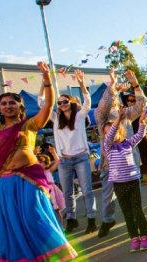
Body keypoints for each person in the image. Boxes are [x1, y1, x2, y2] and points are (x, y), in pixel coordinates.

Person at [0, 60, 77, 261]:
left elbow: (49, 104)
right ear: (0, 109)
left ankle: (54, 256)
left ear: (20, 107)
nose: (8, 106)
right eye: (4, 103)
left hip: (30, 179)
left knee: (34, 218)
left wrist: (45, 79)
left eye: (12, 103)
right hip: (5, 182)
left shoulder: (30, 125)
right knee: (13, 224)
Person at [40, 69, 97, 234]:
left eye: (65, 101)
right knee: (67, 193)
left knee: (87, 190)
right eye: (59, 102)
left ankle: (91, 218)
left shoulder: (79, 116)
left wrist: (80, 82)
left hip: (81, 158)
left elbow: (87, 101)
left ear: (71, 102)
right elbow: (40, 102)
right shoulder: (55, 119)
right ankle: (71, 219)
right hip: (64, 160)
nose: (62, 104)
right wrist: (44, 83)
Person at [94, 69, 147, 238]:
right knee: (108, 196)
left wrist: (135, 84)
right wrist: (112, 85)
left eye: (116, 103)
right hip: (110, 165)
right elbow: (102, 105)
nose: (114, 105)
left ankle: (140, 233)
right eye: (112, 102)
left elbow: (142, 103)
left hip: (129, 167)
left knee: (135, 204)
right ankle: (107, 220)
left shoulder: (126, 115)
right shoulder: (101, 118)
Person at [103, 109, 147, 252]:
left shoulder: (128, 143)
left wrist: (142, 122)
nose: (110, 134)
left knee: (137, 211)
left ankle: (145, 237)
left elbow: (140, 135)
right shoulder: (108, 147)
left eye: (113, 131)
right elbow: (109, 136)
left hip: (132, 182)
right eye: (107, 133)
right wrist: (118, 119)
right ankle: (134, 238)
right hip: (119, 185)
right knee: (128, 214)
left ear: (121, 131)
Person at [38, 147, 66, 228]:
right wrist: (34, 153)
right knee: (47, 210)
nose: (40, 164)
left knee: (56, 210)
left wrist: (54, 153)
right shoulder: (36, 174)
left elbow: (57, 162)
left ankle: (61, 226)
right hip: (43, 192)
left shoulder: (48, 170)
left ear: (46, 163)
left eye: (41, 162)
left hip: (52, 191)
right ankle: (52, 227)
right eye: (38, 162)